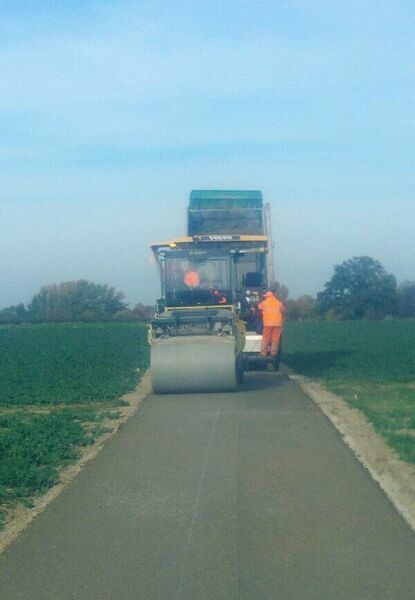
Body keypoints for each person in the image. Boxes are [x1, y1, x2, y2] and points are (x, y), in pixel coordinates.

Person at [257, 290, 285, 358]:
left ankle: (263, 354)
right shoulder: (279, 303)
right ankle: (274, 353)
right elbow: (283, 310)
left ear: (267, 297)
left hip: (267, 324)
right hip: (277, 324)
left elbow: (259, 307)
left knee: (266, 338)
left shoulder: (264, 303)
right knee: (275, 339)